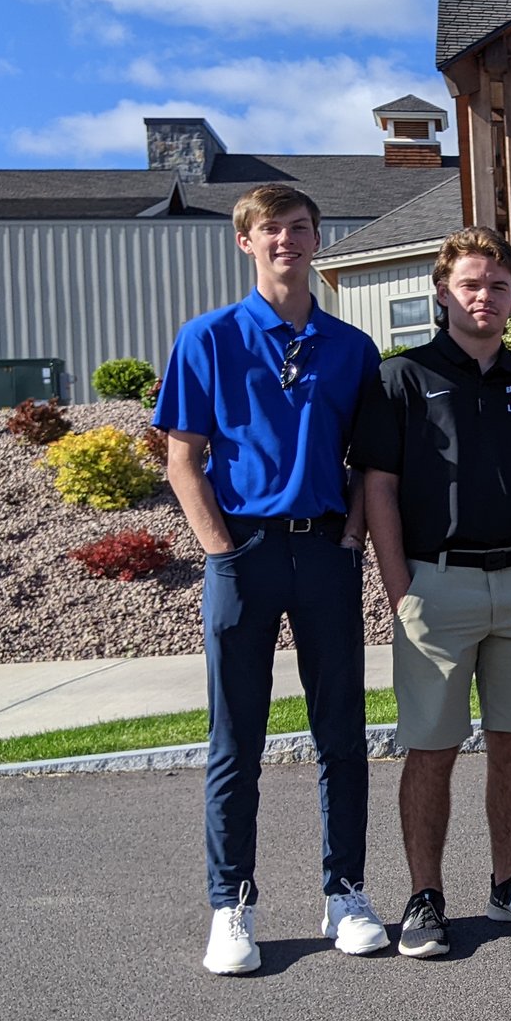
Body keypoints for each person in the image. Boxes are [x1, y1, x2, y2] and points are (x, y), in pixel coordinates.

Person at [156, 182, 388, 975]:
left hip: (324, 551)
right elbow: (181, 458)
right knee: (236, 741)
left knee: (342, 735)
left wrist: (354, 532)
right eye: (271, 229)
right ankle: (232, 905)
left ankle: (346, 892)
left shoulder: (353, 348)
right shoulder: (208, 338)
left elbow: (369, 460)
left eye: (300, 227)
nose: (287, 239)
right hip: (245, 555)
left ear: (319, 240)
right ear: (245, 243)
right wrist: (220, 549)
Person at [355, 229, 511, 957]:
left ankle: (509, 882)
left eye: (499, 285)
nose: (485, 297)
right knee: (431, 750)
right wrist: (400, 589)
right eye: (470, 284)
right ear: (442, 292)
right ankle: (425, 896)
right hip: (434, 586)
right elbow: (378, 488)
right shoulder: (400, 378)